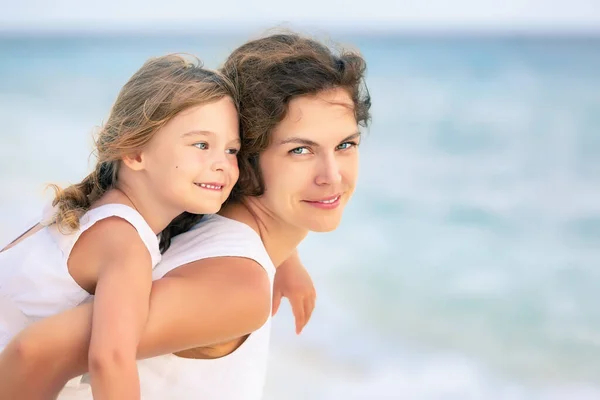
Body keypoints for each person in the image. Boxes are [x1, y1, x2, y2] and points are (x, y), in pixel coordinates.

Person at [0, 31, 371, 400]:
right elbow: (35, 352)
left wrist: (288, 258)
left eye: (345, 145)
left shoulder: (189, 214)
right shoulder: (237, 285)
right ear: (252, 157)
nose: (332, 176)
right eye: (300, 150)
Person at [0, 54, 242, 399]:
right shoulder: (124, 244)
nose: (222, 164)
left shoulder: (92, 212)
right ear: (135, 152)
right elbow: (110, 360)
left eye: (232, 149)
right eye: (201, 145)